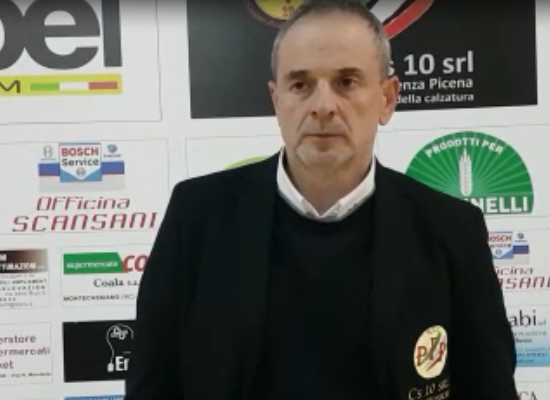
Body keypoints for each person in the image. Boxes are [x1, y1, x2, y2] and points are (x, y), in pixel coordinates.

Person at [124, 1, 517, 399]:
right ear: (276, 100)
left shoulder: (451, 229)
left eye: (346, 82)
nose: (323, 106)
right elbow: (151, 384)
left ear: (387, 98)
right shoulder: (196, 217)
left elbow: (490, 388)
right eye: (300, 85)